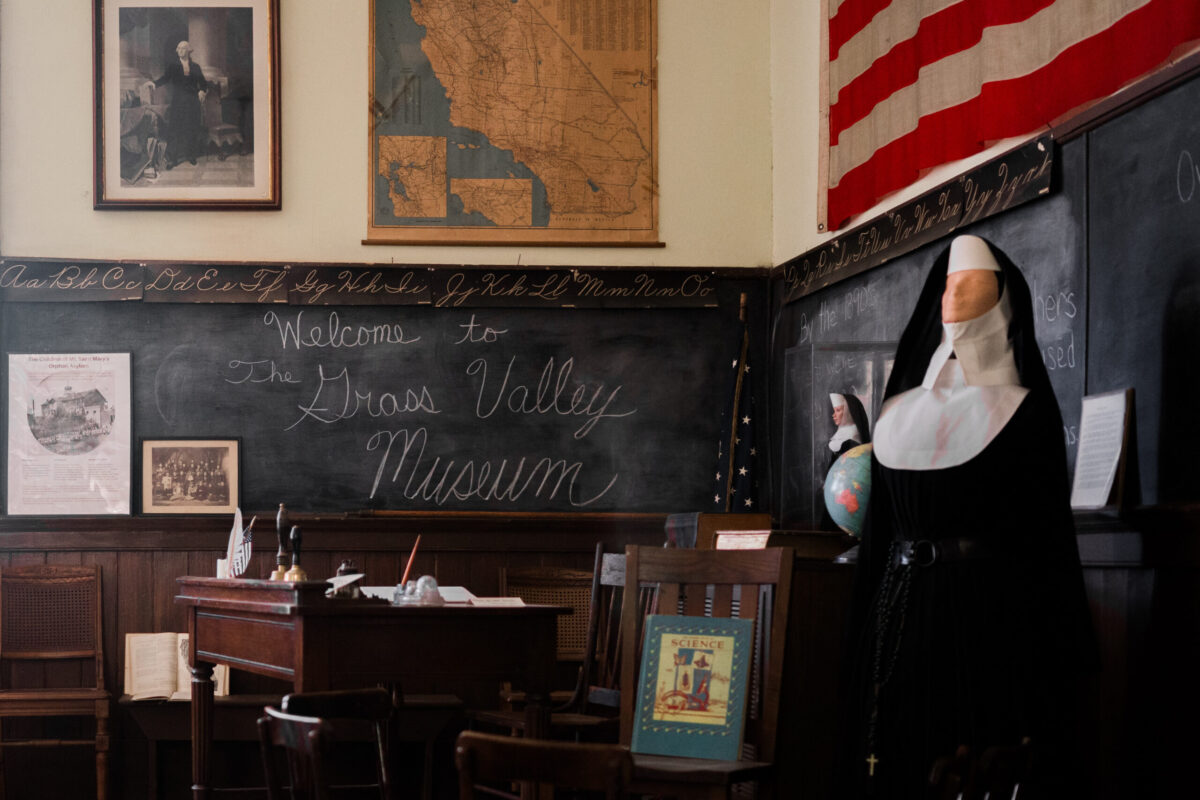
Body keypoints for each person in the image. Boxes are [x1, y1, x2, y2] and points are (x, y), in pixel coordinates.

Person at [837, 235, 1096, 797]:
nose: (955, 293)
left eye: (971, 283)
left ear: (1001, 299)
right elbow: (880, 534)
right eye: (949, 282)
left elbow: (1041, 538)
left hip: (983, 619)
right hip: (898, 618)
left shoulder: (1023, 413)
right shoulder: (897, 410)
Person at [154, 41, 208, 168]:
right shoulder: (173, 66)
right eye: (178, 48)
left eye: (182, 48)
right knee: (175, 129)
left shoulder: (196, 67)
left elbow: (203, 83)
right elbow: (165, 78)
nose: (179, 50)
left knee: (192, 128)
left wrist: (202, 90)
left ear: (188, 51)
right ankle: (173, 158)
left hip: (192, 101)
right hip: (178, 101)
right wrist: (153, 84)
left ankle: (191, 155)